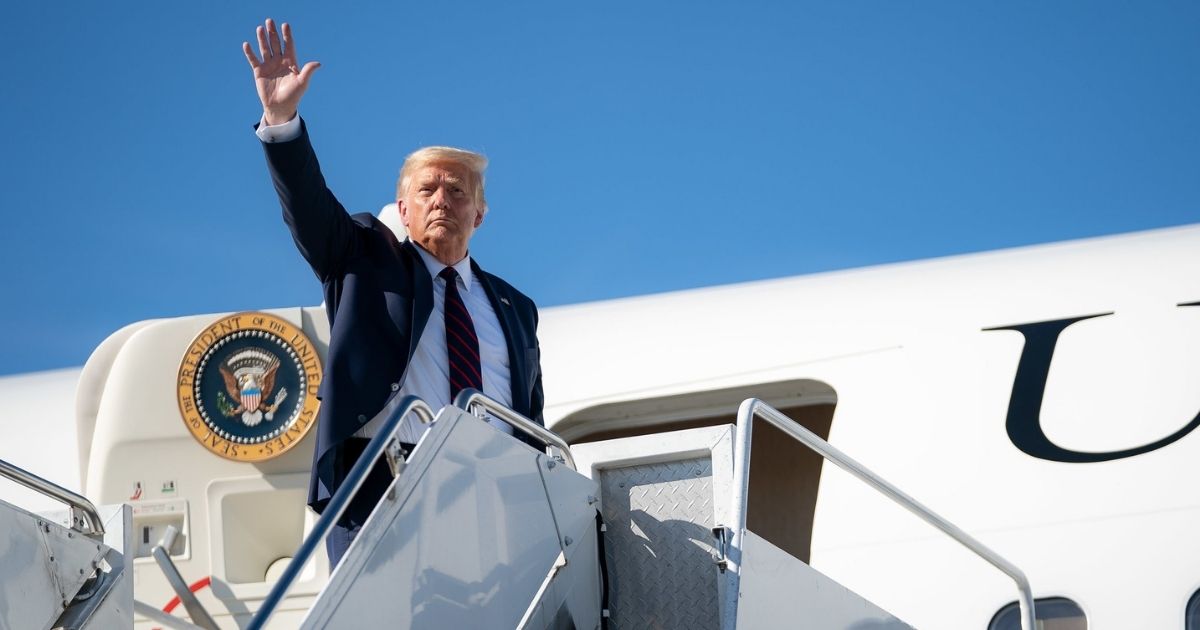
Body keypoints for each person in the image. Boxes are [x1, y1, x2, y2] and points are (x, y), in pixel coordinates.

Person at [242, 18, 546, 567]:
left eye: (458, 191)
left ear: (480, 213)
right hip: (385, 485)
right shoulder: (364, 258)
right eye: (426, 189)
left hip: (495, 501)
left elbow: (531, 419)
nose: (442, 201)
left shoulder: (516, 309)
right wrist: (282, 120)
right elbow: (309, 206)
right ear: (402, 210)